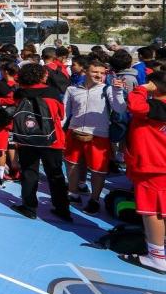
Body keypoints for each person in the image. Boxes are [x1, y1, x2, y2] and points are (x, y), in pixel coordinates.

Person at [10, 63, 71, 221]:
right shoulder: (52, 92)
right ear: (41, 76)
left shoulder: (19, 93)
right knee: (55, 175)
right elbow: (61, 113)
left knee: (29, 172)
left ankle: (29, 207)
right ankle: (62, 209)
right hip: (52, 139)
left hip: (27, 139)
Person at [63, 60, 126, 214]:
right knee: (72, 164)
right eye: (95, 72)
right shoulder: (72, 89)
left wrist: (118, 91)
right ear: (85, 72)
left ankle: (94, 199)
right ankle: (73, 193)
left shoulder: (108, 89)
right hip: (74, 131)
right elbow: (64, 114)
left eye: (102, 73)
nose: (99, 75)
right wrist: (59, 129)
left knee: (98, 170)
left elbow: (120, 108)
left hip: (99, 135)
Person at [121, 72, 166, 274]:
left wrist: (141, 88)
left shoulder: (154, 107)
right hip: (158, 165)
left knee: (152, 211)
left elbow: (135, 105)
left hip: (152, 166)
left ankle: (156, 256)